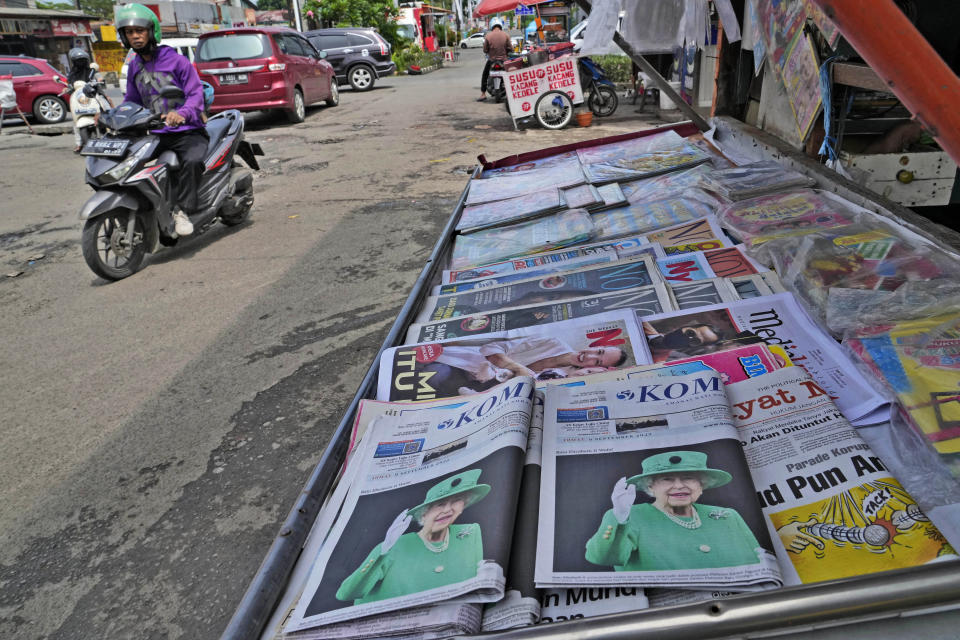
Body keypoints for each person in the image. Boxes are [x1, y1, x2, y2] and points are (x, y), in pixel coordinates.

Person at [585, 451, 763, 571]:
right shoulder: (627, 517)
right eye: (667, 479)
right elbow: (602, 558)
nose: (679, 485)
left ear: (701, 485)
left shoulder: (728, 516)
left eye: (689, 478)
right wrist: (620, 519)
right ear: (651, 487)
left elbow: (758, 565)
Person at [117, 3, 206, 237]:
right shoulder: (135, 66)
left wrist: (182, 114)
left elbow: (196, 94)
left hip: (187, 132)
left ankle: (183, 210)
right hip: (156, 134)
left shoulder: (176, 61)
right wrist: (115, 116)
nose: (135, 36)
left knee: (193, 161)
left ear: (151, 31)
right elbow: (131, 100)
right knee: (130, 166)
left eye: (139, 31)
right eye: (129, 32)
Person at [336, 469, 489, 604]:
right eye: (440, 504)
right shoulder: (394, 546)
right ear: (424, 513)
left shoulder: (470, 532)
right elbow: (346, 594)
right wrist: (383, 549)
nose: (448, 510)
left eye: (456, 501)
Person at [424, 336, 628, 396]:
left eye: (598, 362)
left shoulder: (565, 376)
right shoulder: (554, 342)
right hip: (466, 364)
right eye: (598, 351)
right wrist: (518, 368)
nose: (590, 357)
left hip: (487, 388)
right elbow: (492, 348)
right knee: (437, 375)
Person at [477, 18, 512, 102]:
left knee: (485, 75)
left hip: (492, 61)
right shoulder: (506, 35)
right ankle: (512, 92)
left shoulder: (488, 36)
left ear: (492, 26)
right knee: (510, 75)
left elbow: (485, 50)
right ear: (500, 25)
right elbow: (510, 48)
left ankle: (483, 94)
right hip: (504, 61)